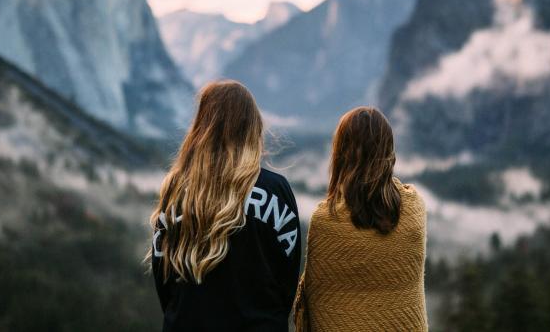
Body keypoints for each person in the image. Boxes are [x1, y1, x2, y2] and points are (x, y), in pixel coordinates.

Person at [149, 80, 301, 331]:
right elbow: (287, 280)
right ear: (253, 129)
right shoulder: (276, 190)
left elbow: (163, 279)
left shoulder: (175, 190)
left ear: (201, 128)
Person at [294, 106, 427, 331]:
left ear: (341, 154)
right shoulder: (414, 209)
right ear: (389, 153)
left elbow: (316, 298)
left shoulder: (325, 221)